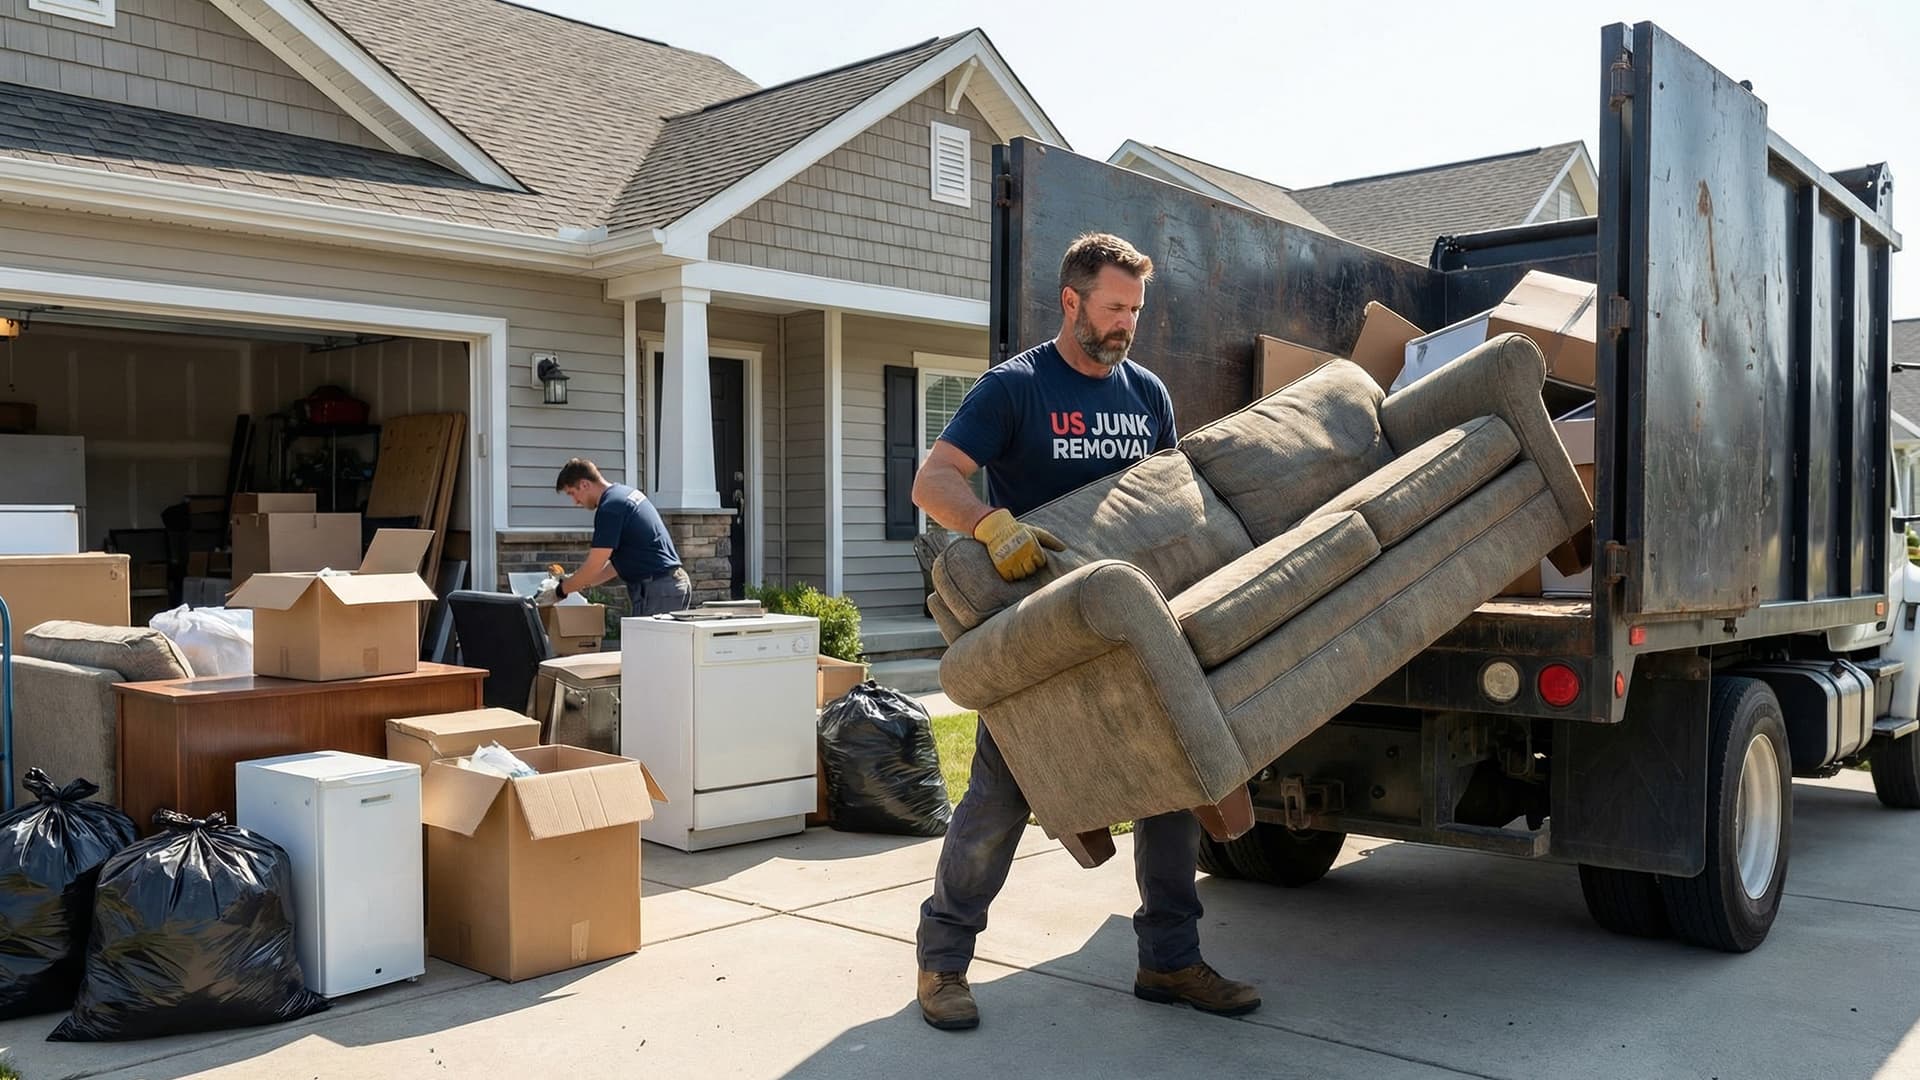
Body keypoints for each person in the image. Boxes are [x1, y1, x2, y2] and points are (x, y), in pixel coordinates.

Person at [909, 233, 1260, 1031]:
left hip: (1138, 621)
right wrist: (991, 525)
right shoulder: (1015, 389)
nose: (1125, 324)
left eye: (1135, 309)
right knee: (1001, 796)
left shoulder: (1149, 395)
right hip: (1043, 630)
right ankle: (943, 964)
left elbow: (1170, 499)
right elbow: (932, 480)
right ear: (1071, 302)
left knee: (1173, 783)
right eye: (1112, 307)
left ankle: (1169, 962)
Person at [548, 458, 692, 616]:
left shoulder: (610, 508)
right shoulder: (624, 494)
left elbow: (594, 564)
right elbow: (618, 564)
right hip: (668, 585)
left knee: (648, 641)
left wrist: (559, 591)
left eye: (572, 494)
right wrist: (581, 582)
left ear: (584, 484)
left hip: (656, 589)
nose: (575, 502)